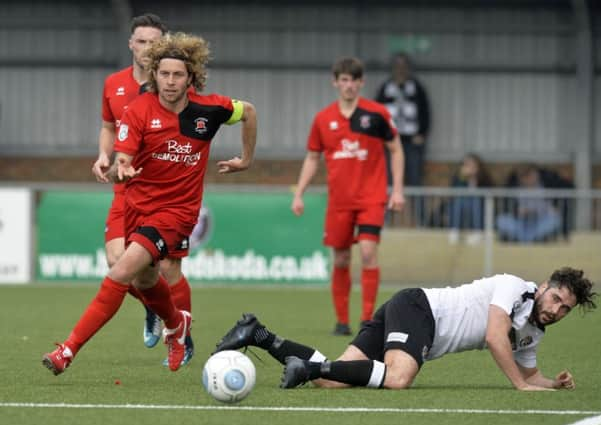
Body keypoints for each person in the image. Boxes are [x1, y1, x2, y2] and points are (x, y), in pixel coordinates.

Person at [42, 31, 257, 375]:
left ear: (191, 78)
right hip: (137, 207)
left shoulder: (211, 108)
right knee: (144, 280)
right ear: (154, 74)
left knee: (122, 270)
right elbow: (121, 162)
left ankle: (68, 350)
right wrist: (120, 169)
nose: (170, 82)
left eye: (178, 75)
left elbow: (249, 112)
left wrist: (245, 159)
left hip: (176, 214)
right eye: (164, 74)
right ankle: (176, 325)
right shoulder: (139, 110)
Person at [215, 267, 596, 391]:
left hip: (411, 315)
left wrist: (550, 384)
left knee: (331, 382)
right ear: (544, 287)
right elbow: (496, 337)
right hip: (421, 310)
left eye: (565, 308)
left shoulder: (534, 332)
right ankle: (309, 367)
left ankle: (258, 334)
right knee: (399, 378)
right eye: (556, 298)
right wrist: (521, 387)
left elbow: (529, 372)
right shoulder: (514, 287)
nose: (557, 309)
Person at [91, 14, 197, 367]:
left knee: (168, 271)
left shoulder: (175, 84)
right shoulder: (113, 84)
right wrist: (105, 155)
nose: (146, 47)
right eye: (141, 41)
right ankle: (159, 311)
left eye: (154, 42)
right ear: (130, 44)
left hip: (168, 192)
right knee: (118, 263)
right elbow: (108, 127)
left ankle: (183, 333)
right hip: (128, 188)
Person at [291, 57, 405, 336]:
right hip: (340, 201)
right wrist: (300, 192)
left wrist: (398, 190)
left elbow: (396, 149)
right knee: (340, 259)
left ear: (361, 83)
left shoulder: (376, 114)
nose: (349, 85)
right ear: (336, 82)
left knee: (367, 252)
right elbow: (312, 157)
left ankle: (367, 320)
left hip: (371, 197)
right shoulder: (323, 118)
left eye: (354, 80)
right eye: (344, 80)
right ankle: (341, 322)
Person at [375, 52, 430, 225]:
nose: (400, 69)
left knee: (415, 180)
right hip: (390, 142)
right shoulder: (385, 88)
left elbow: (425, 112)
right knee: (387, 182)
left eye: (403, 66)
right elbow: (377, 113)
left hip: (411, 142)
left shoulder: (416, 88)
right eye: (397, 66)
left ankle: (422, 223)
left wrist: (422, 134)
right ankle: (384, 221)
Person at [496, 164, 565, 243]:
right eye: (527, 176)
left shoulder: (546, 186)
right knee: (502, 220)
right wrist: (518, 211)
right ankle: (520, 239)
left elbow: (551, 207)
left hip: (540, 221)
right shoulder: (515, 189)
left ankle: (535, 239)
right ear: (521, 178)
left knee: (555, 219)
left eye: (533, 175)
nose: (531, 178)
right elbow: (510, 209)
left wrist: (549, 210)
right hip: (520, 222)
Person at [448, 153, 494, 245]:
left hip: (479, 204)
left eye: (472, 165)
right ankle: (454, 230)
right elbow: (454, 190)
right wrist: (462, 178)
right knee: (458, 201)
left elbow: (489, 189)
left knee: (475, 200)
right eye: (467, 165)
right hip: (463, 203)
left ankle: (478, 232)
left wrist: (476, 178)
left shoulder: (483, 175)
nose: (469, 167)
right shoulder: (459, 176)